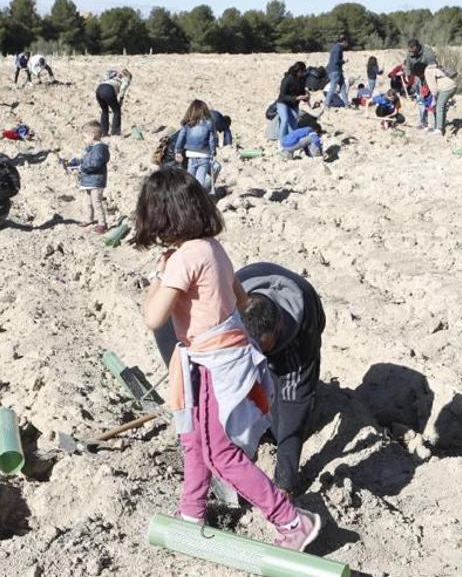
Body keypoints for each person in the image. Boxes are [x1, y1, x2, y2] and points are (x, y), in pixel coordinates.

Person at [133, 166, 322, 551]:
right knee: (193, 441)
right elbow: (240, 299)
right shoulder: (212, 248)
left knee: (221, 454)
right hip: (219, 358)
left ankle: (291, 520)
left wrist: (160, 273)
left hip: (215, 363)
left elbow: (153, 317)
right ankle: (192, 513)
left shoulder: (185, 257)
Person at [236, 262, 326, 494]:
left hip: (307, 316)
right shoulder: (226, 304)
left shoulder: (301, 338)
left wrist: (285, 481)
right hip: (246, 311)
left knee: (281, 430)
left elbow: (293, 408)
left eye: (264, 348)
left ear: (277, 329)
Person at [64, 121, 110, 233]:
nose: (83, 140)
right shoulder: (92, 148)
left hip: (96, 181)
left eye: (85, 137)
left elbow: (95, 163)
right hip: (89, 181)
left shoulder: (100, 149)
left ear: (92, 136)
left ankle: (102, 224)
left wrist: (81, 167)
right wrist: (76, 162)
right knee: (87, 201)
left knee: (96, 202)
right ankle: (89, 219)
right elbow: (87, 160)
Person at [173, 100, 217, 190]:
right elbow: (212, 140)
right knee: (200, 182)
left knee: (189, 179)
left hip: (191, 155)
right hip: (204, 155)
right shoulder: (209, 123)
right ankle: (199, 197)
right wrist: (213, 152)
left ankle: (188, 196)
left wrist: (178, 151)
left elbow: (181, 137)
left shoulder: (188, 124)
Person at [421, 62, 457, 136]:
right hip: (452, 86)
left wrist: (434, 97)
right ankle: (441, 126)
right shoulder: (433, 68)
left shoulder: (428, 71)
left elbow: (433, 87)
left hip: (445, 88)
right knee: (441, 106)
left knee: (439, 107)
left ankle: (439, 130)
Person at [276, 62, 309, 139]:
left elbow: (301, 91)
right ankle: (282, 141)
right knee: (284, 120)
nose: (303, 74)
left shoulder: (302, 79)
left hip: (294, 105)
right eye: (302, 72)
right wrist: (296, 98)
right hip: (283, 103)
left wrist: (305, 97)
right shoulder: (287, 79)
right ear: (298, 71)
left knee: (293, 123)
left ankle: (292, 139)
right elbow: (283, 95)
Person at [96, 69, 132, 136]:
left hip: (99, 89)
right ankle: (115, 132)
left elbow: (105, 75)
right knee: (117, 110)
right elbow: (123, 89)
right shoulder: (126, 79)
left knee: (104, 111)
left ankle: (103, 131)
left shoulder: (114, 75)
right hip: (108, 90)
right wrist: (121, 99)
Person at [325, 34, 349, 108]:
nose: (347, 44)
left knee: (343, 86)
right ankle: (327, 103)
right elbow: (336, 61)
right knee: (333, 87)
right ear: (344, 41)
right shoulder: (338, 48)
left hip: (336, 70)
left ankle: (346, 104)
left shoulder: (335, 47)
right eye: (346, 42)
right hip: (335, 71)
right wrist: (344, 61)